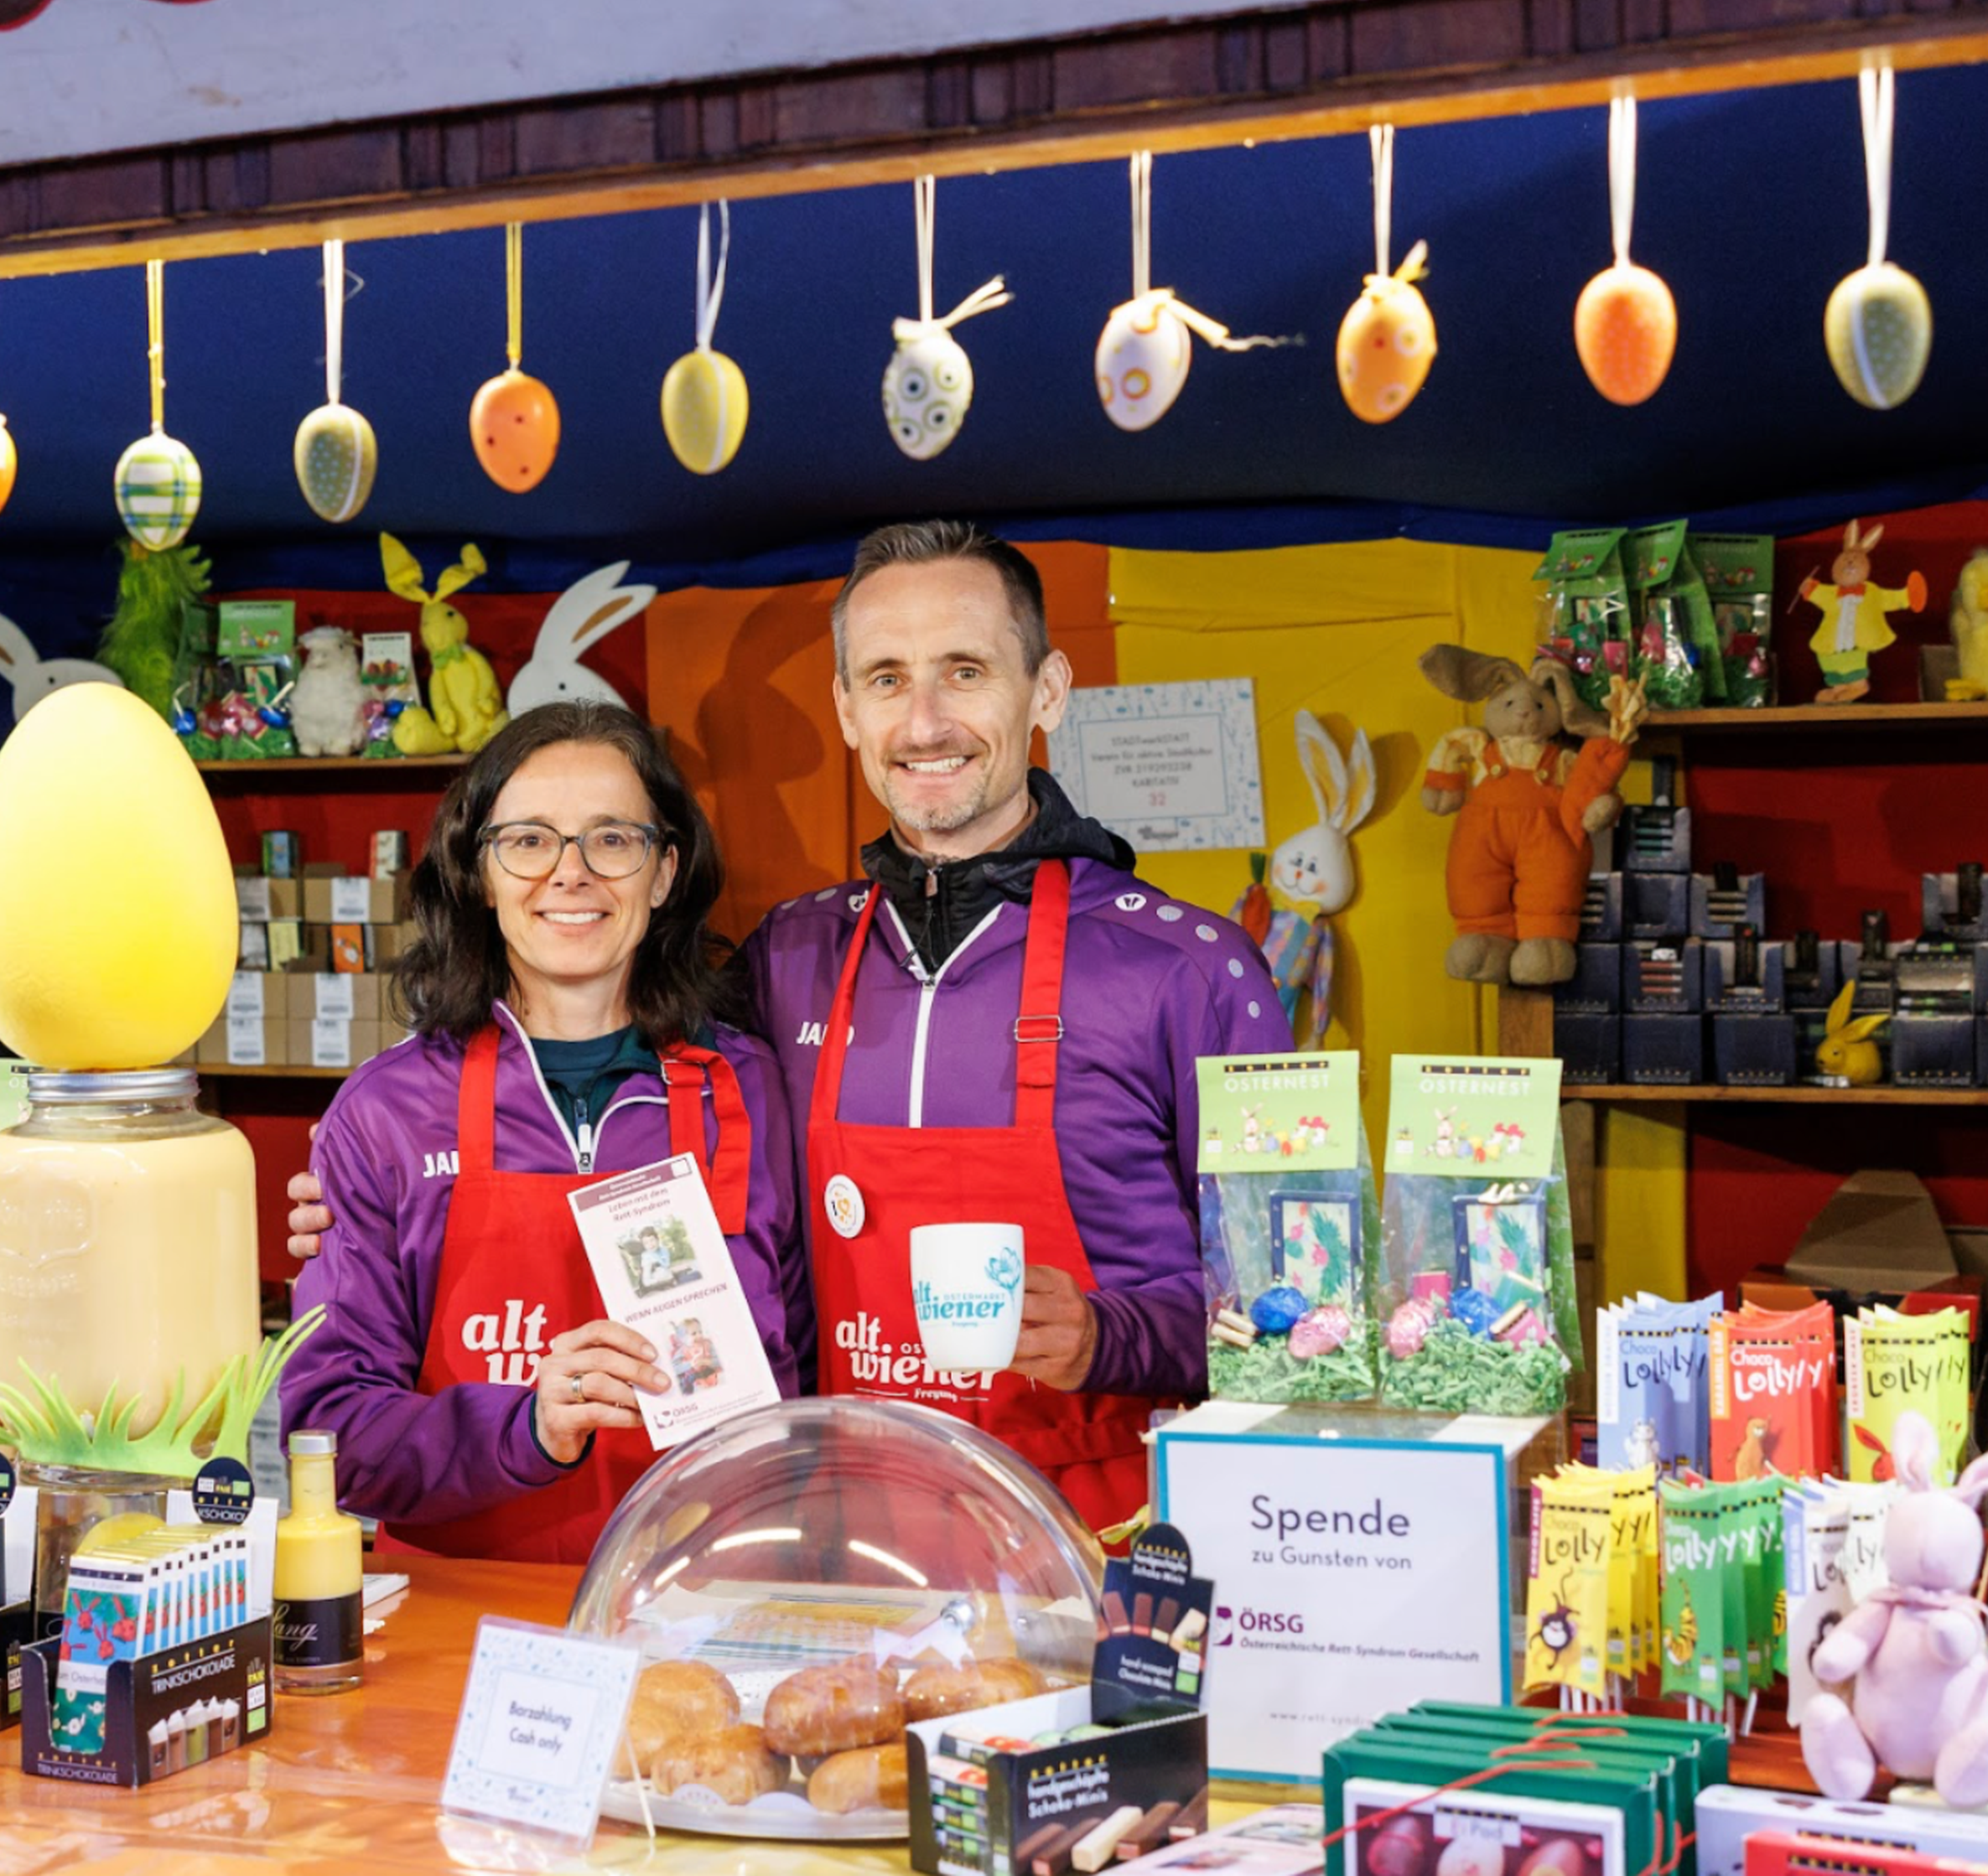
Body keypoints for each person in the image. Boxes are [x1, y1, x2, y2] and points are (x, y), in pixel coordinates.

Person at [294, 521, 1276, 1532]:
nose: (926, 719)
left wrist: (1108, 1338)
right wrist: (363, 1186)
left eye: (967, 670)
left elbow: (1309, 1322)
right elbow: (587, 1052)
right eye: (887, 679)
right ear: (848, 709)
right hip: (847, 1552)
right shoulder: (791, 960)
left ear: (1049, 691)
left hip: (1102, 1541)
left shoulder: (1195, 970)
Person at [278, 700, 809, 1560]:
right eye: (528, 840)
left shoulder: (750, 1088)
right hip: (465, 1628)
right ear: (479, 874)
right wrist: (525, 1426)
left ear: (664, 872)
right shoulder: (385, 1114)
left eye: (612, 839)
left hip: (709, 1608)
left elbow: (808, 1376)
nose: (571, 873)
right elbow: (327, 1436)